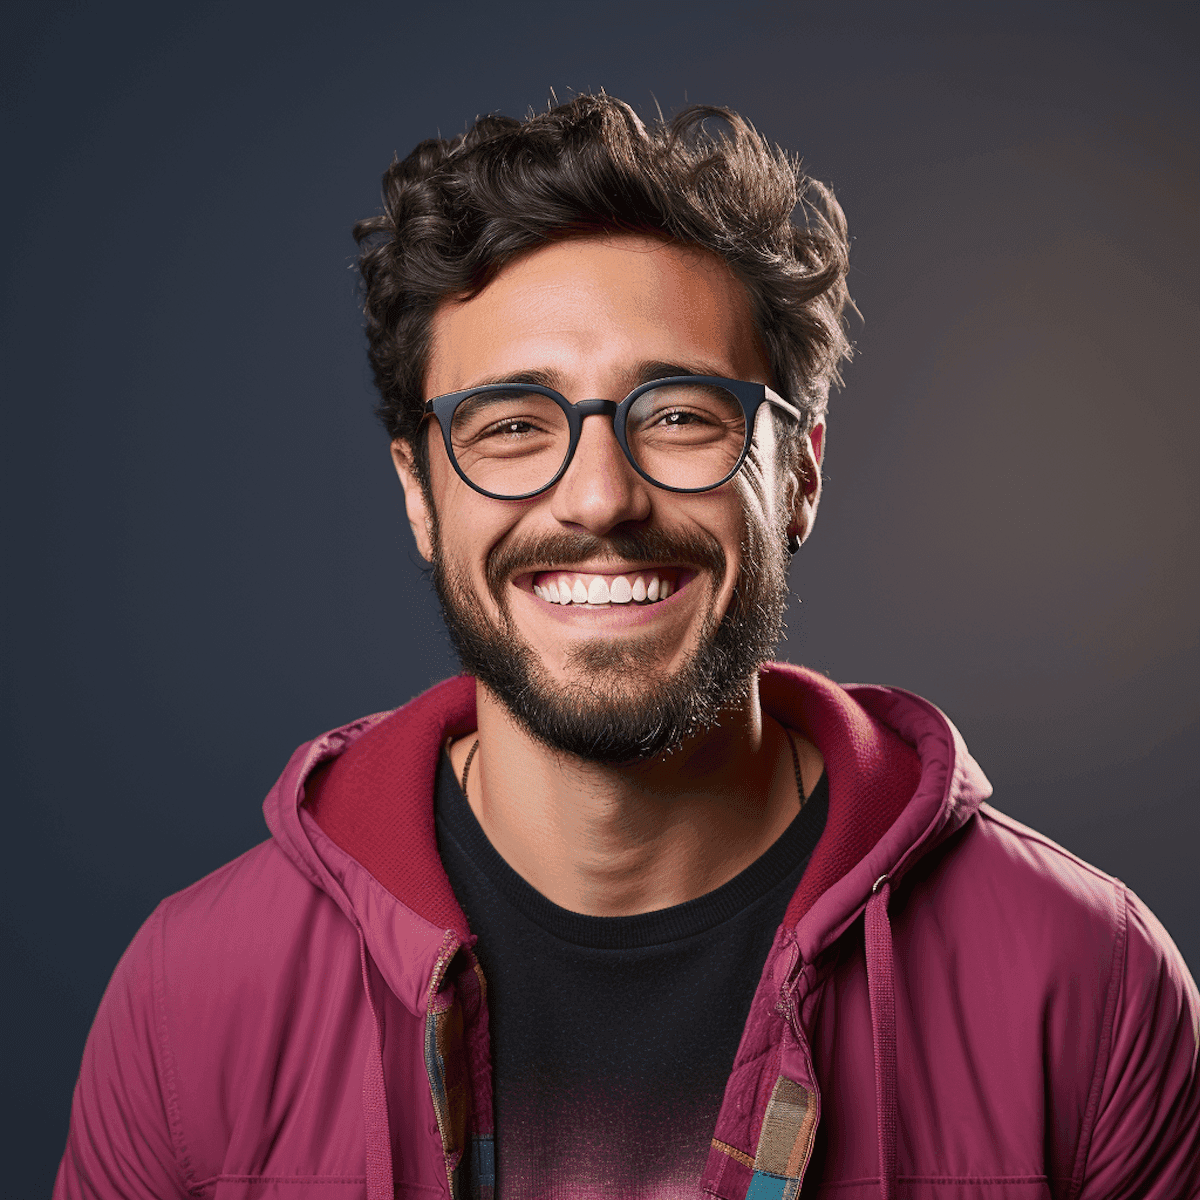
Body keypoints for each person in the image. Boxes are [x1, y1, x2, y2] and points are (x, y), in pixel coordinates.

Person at [56, 95, 1198, 1200]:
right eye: (512, 427)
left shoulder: (1086, 981)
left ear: (797, 473)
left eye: (680, 415)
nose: (600, 498)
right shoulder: (190, 998)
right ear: (417, 492)